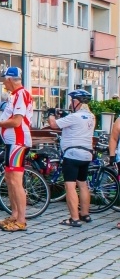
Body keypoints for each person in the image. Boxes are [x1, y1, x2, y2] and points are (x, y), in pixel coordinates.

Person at [0, 67, 33, 232]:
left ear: (10, 79)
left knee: (16, 181)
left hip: (18, 141)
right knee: (10, 179)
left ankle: (21, 220)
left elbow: (17, 122)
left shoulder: (21, 94)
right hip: (12, 141)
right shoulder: (15, 95)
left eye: (4, 79)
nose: (3, 82)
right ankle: (15, 214)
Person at [48, 90, 95, 227]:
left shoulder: (75, 117)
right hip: (86, 154)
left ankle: (74, 218)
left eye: (71, 101)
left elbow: (54, 124)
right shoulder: (91, 116)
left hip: (72, 154)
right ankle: (85, 214)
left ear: (76, 102)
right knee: (83, 183)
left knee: (70, 186)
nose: (70, 103)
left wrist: (51, 114)